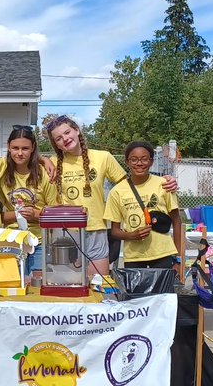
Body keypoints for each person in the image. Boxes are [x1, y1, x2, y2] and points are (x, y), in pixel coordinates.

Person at [42, 114, 177, 280]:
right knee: (67, 285)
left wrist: (165, 180)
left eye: (67, 132)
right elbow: (25, 156)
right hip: (65, 233)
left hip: (96, 230)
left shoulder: (103, 157)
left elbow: (128, 185)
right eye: (58, 138)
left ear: (77, 131)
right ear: (56, 145)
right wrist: (42, 159)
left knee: (99, 285)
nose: (65, 138)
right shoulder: (53, 162)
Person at [104, 141, 182, 270]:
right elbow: (115, 231)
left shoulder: (164, 184)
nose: (139, 163)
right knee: (137, 291)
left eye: (144, 159)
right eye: (133, 159)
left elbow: (176, 220)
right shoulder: (116, 192)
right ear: (127, 162)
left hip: (163, 255)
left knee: (163, 291)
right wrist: (131, 235)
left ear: (151, 162)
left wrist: (178, 257)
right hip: (134, 258)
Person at [0, 125, 56, 275]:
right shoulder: (1, 174)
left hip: (41, 242)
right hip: (12, 242)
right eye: (15, 148)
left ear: (33, 148)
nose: (20, 153)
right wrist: (18, 214)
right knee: (13, 285)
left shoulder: (45, 174)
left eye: (25, 148)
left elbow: (55, 214)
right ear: (8, 147)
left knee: (38, 287)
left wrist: (35, 214)